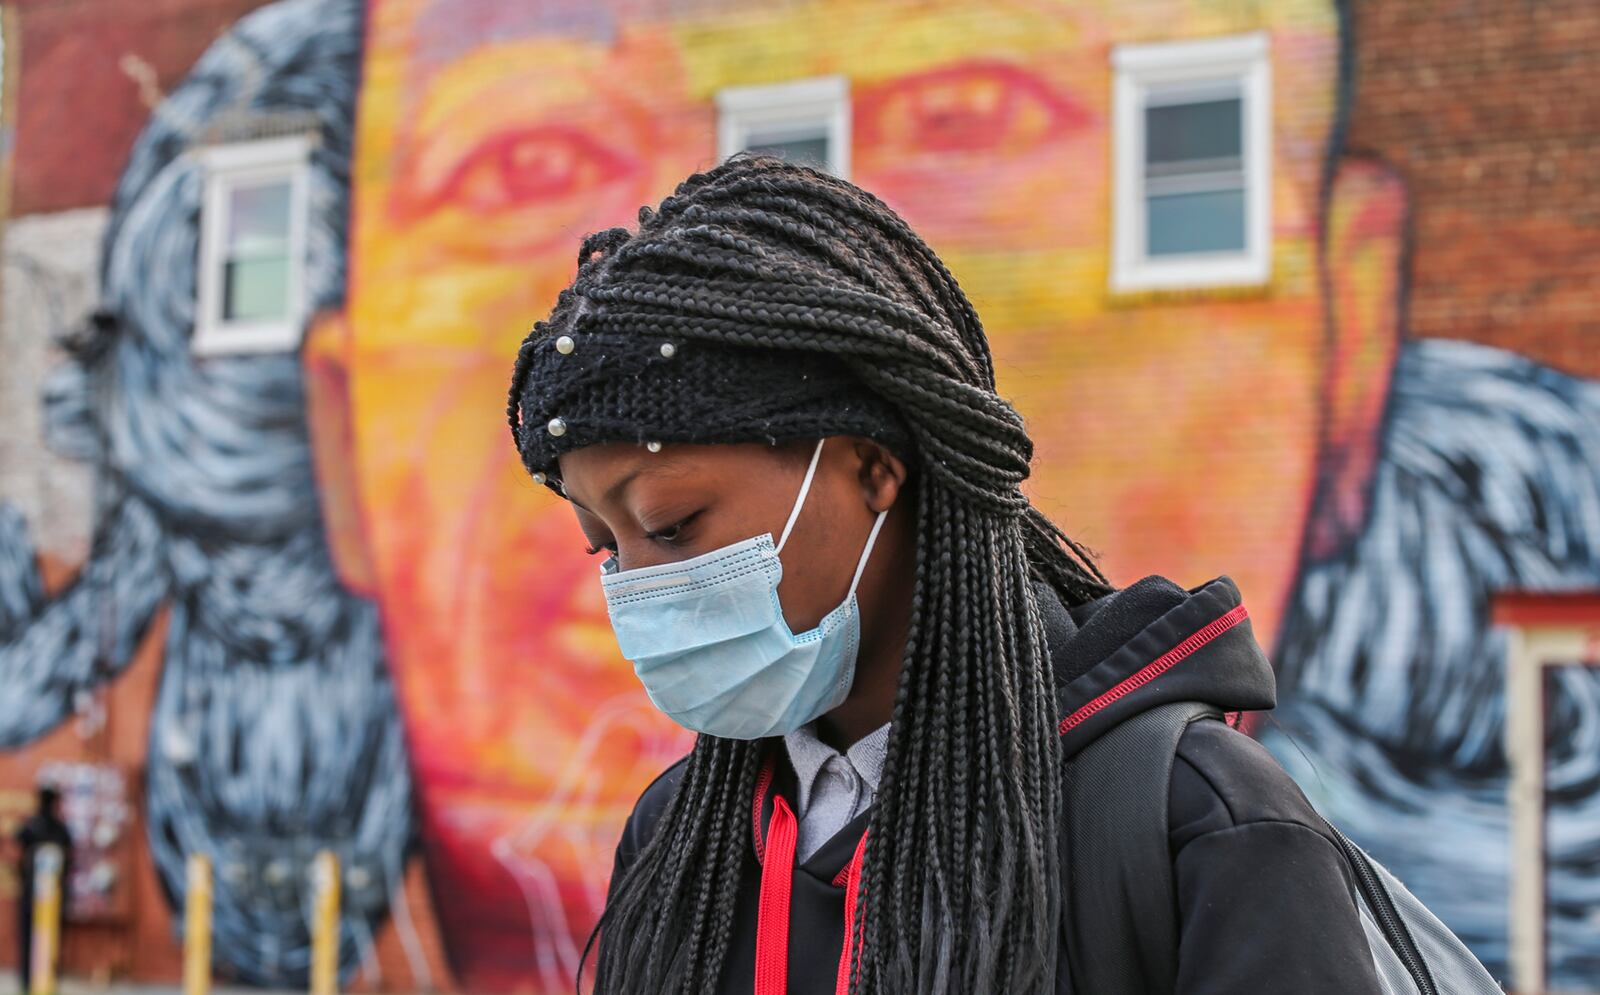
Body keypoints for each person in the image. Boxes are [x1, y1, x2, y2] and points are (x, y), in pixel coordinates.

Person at [505, 154, 1386, 993]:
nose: (640, 584)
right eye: (605, 547)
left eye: (672, 523)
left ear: (870, 466)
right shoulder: (678, 839)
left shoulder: (1194, 825)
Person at [10, 785, 71, 995]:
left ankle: (29, 984)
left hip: (30, 895)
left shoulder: (33, 825)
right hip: (53, 897)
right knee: (50, 941)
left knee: (28, 941)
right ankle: (45, 982)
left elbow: (17, 838)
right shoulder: (59, 828)